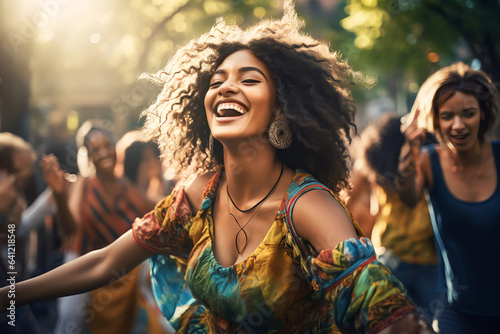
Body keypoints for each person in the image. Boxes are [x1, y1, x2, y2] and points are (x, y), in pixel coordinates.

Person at [1, 2, 433, 333]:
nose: (227, 85)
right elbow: (104, 264)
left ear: (282, 108)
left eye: (249, 79)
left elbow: (380, 303)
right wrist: (8, 296)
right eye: (218, 80)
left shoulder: (307, 205)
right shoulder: (197, 195)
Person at [39, 120, 170, 334]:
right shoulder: (83, 183)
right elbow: (71, 228)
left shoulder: (125, 184)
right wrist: (60, 196)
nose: (103, 153)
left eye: (107, 146)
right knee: (70, 321)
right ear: (88, 156)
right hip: (84, 260)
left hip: (118, 268)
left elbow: (155, 210)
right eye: (95, 149)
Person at [397, 62, 500, 333]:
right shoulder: (428, 162)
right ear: (435, 119)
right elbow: (407, 198)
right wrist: (409, 146)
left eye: (468, 114)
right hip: (456, 310)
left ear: (483, 113)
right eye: (447, 116)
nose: (458, 125)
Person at [348, 114, 439, 322]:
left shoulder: (372, 161)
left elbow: (347, 202)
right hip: (428, 255)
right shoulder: (423, 158)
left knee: (391, 324)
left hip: (389, 252)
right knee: (434, 324)